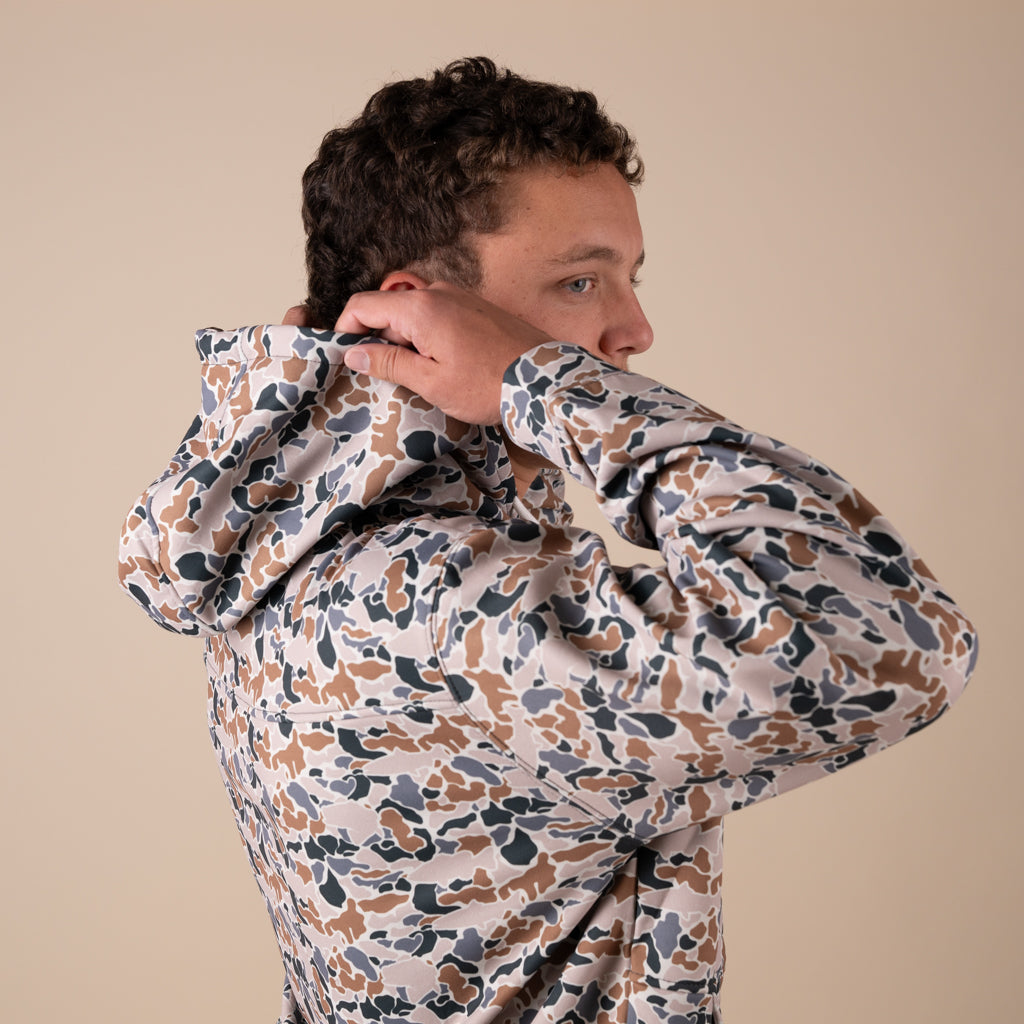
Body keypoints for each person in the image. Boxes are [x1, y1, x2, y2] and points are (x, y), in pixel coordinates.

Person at [118, 58, 977, 1024]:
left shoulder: (295, 543)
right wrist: (544, 382)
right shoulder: (430, 595)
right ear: (415, 309)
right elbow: (881, 638)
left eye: (627, 279)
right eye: (580, 280)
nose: (635, 329)